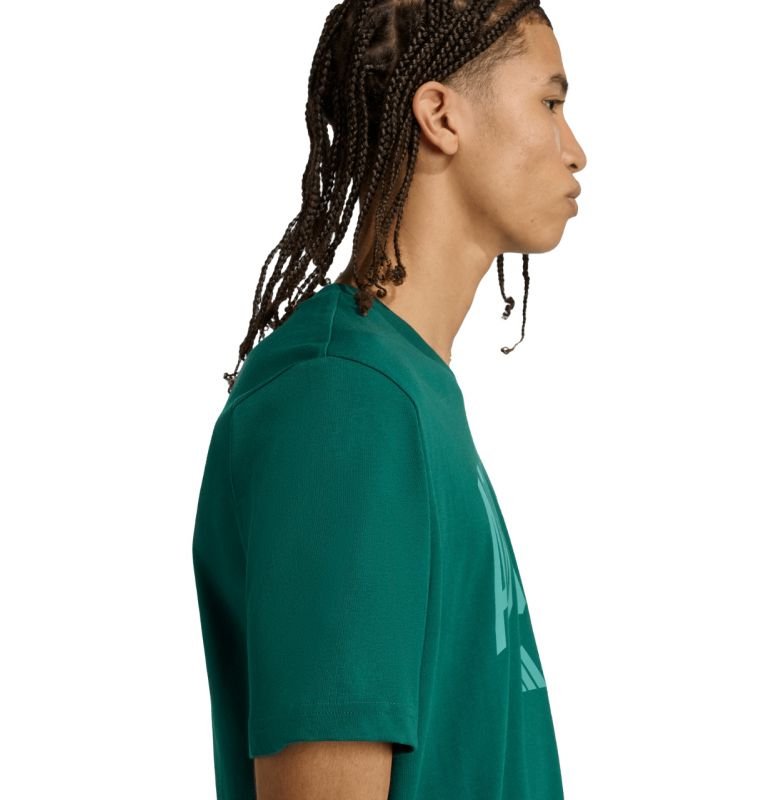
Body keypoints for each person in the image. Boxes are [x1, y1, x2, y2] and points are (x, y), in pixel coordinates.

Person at [192, 0, 587, 797]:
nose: (575, 150)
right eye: (550, 103)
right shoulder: (342, 403)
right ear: (441, 115)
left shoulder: (403, 390)